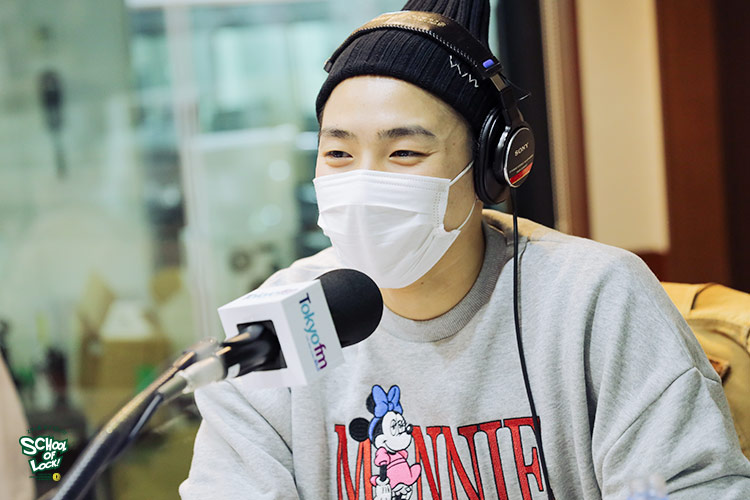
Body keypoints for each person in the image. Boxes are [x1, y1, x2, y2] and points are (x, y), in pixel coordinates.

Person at [180, 0, 750, 498]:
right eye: (338, 154)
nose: (364, 182)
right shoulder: (273, 332)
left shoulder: (596, 299)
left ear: (488, 170)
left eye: (405, 153)